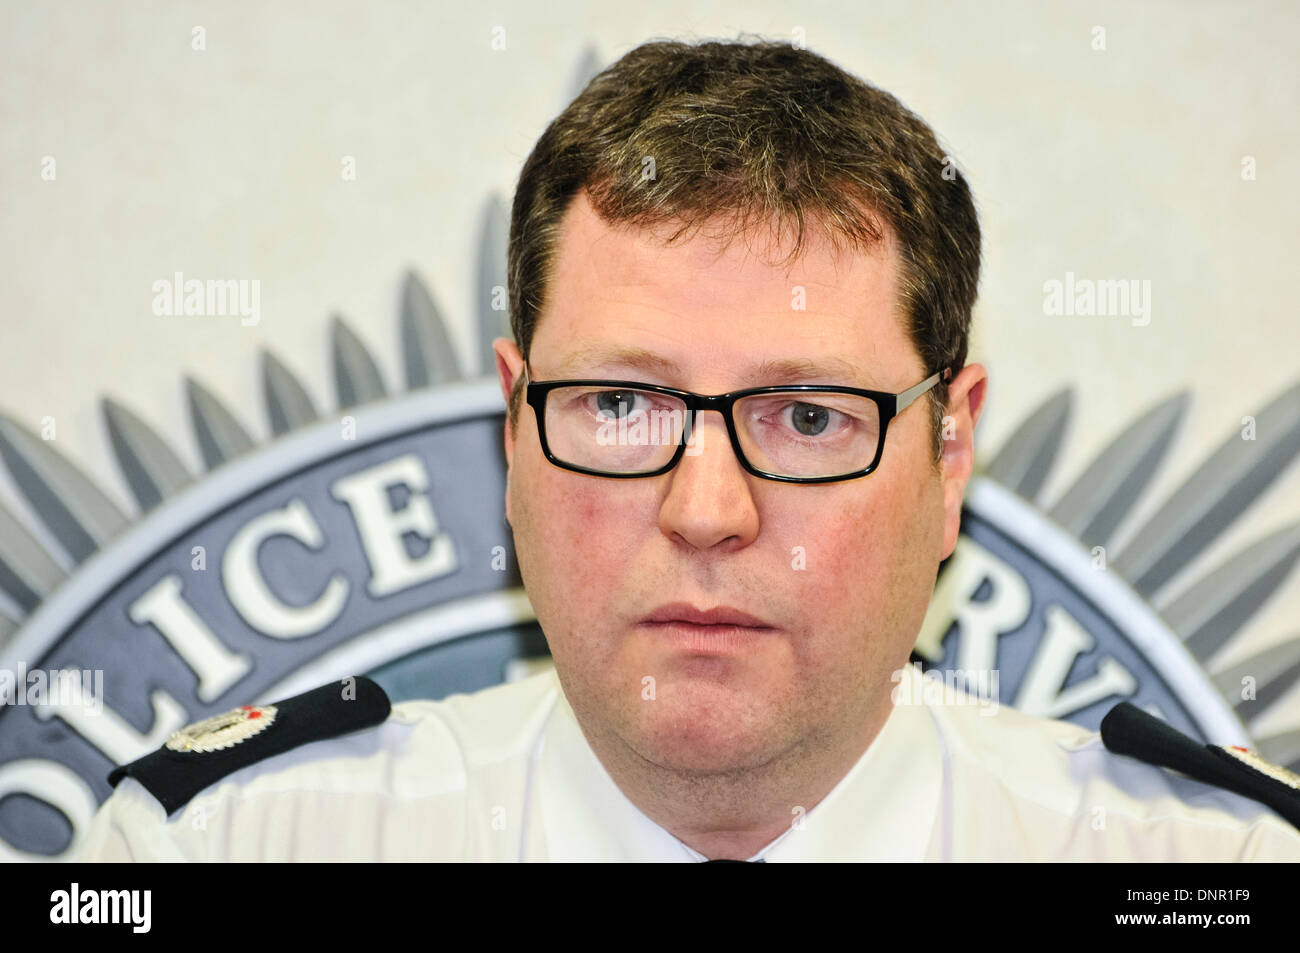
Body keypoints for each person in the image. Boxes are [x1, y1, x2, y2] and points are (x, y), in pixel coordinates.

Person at [78, 36, 1300, 862]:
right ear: (514, 432)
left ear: (950, 450)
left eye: (808, 416)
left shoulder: (1215, 866)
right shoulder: (223, 849)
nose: (706, 508)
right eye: (620, 405)